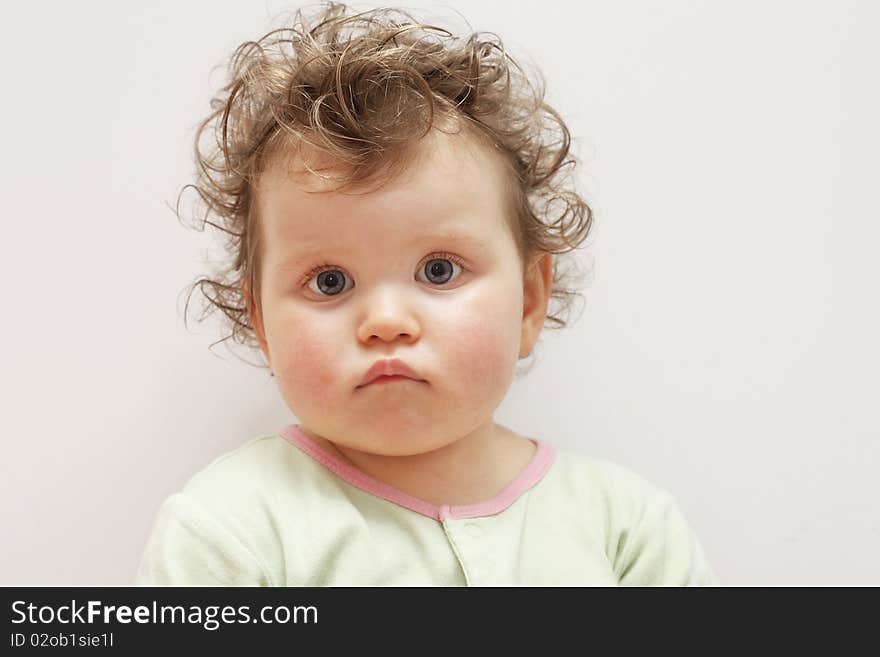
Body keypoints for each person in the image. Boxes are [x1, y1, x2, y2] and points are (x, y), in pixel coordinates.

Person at [136, 1, 717, 586]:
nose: (386, 321)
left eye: (439, 270)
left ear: (529, 302)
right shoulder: (228, 534)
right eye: (329, 281)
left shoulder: (626, 530)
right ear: (261, 321)